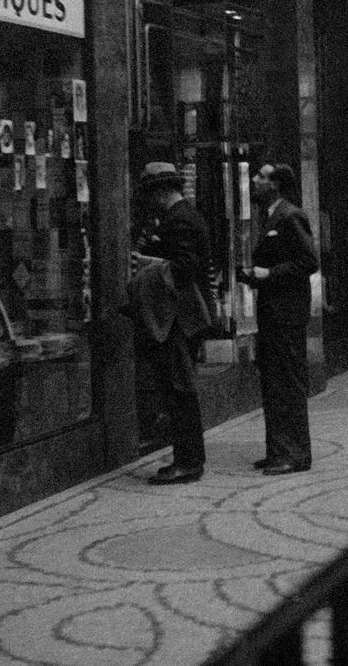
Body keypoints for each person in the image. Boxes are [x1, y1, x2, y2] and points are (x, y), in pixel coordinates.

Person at [126, 162, 214, 485]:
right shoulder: (185, 216)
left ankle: (188, 462)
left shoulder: (179, 221)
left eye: (150, 194)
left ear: (159, 191)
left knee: (180, 389)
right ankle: (188, 458)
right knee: (181, 388)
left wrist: (147, 264)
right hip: (183, 319)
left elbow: (182, 270)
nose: (149, 202)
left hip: (181, 319)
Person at [239, 163, 319, 476]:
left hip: (287, 315)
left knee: (288, 383)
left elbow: (308, 262)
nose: (254, 180)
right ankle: (278, 451)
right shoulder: (270, 216)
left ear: (275, 184)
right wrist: (255, 276)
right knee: (274, 383)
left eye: (261, 176)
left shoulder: (290, 215)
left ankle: (296, 454)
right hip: (273, 313)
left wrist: (269, 274)